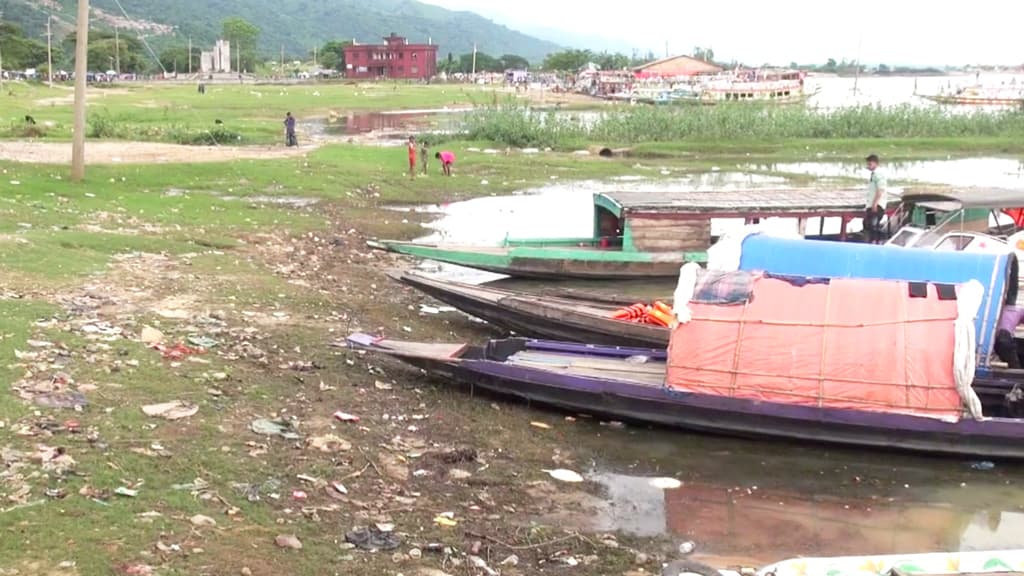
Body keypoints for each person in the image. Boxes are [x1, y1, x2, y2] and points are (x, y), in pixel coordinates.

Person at [863, 153, 888, 244]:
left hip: (877, 205)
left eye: (870, 164)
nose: (868, 166)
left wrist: (875, 203)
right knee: (868, 224)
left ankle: (875, 243)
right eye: (868, 164)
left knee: (872, 226)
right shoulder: (874, 174)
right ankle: (872, 242)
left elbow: (880, 190)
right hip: (872, 204)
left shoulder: (878, 174)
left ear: (875, 163)